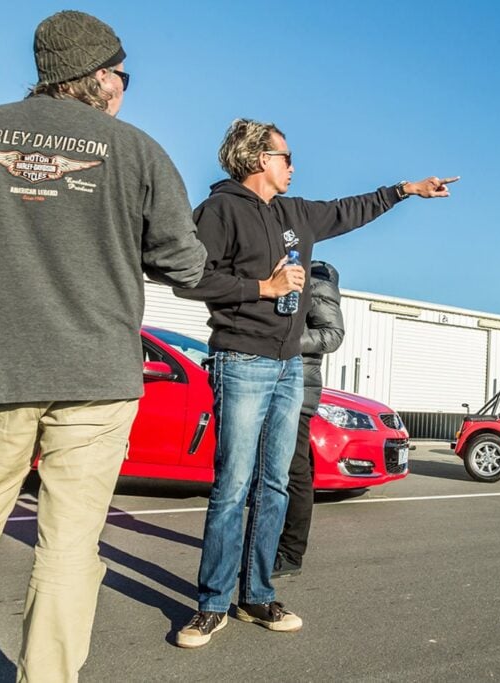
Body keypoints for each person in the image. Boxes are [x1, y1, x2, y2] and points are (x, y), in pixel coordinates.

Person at [0, 11, 206, 680]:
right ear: (97, 76)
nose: (125, 88)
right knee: (67, 546)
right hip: (96, 373)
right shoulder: (135, 149)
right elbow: (184, 264)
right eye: (123, 75)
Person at [173, 117, 457, 648]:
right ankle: (211, 604)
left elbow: (350, 210)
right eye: (285, 156)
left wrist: (406, 191)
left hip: (287, 370)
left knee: (276, 484)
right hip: (242, 361)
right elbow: (191, 278)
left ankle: (256, 595)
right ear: (260, 159)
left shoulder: (294, 213)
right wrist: (265, 286)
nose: (293, 166)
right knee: (233, 486)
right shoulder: (218, 210)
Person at [273, 261, 345, 578]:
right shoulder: (287, 272)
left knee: (296, 470)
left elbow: (332, 335)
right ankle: (271, 546)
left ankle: (290, 552)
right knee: (277, 470)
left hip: (299, 388)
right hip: (275, 383)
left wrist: (286, 341)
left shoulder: (317, 279)